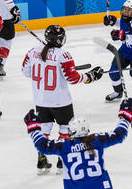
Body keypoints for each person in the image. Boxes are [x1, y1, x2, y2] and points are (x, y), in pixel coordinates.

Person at [23, 98, 132, 189]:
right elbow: (119, 135)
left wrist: (33, 128)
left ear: (71, 132)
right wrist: (125, 115)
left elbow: (42, 145)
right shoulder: (97, 140)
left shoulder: (64, 145)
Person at [21, 25, 103, 175]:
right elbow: (72, 78)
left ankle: (42, 161)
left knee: (44, 130)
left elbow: (26, 72)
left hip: (41, 100)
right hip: (61, 102)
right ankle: (62, 161)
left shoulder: (33, 52)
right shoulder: (63, 55)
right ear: (58, 40)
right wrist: (90, 77)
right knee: (65, 129)